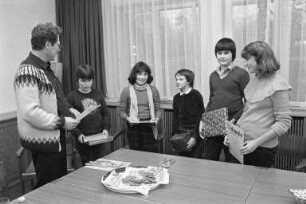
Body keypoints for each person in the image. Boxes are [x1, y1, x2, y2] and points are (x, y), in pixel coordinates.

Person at [13, 23, 80, 188]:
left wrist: (68, 110)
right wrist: (63, 122)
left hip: (55, 139)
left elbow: (56, 98)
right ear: (47, 44)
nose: (59, 48)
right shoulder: (27, 71)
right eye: (57, 43)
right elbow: (31, 113)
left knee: (59, 186)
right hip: (45, 143)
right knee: (49, 190)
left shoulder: (46, 70)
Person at [224, 41, 292, 168]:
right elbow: (247, 111)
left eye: (247, 59)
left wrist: (256, 143)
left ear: (260, 59)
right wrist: (232, 135)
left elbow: (284, 123)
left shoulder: (278, 85)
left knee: (257, 186)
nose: (244, 64)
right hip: (242, 141)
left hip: (261, 148)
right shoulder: (255, 79)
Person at [202, 37, 250, 161]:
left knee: (232, 163)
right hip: (213, 123)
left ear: (232, 54)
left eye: (226, 53)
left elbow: (248, 103)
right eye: (219, 53)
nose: (222, 56)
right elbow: (211, 99)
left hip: (233, 124)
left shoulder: (242, 74)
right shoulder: (212, 75)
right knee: (209, 160)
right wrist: (203, 121)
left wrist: (233, 121)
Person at [67, 65, 111, 166]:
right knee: (87, 167)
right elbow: (70, 120)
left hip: (99, 138)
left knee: (101, 165)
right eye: (83, 81)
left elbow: (105, 114)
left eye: (89, 80)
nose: (86, 84)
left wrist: (106, 129)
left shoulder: (98, 94)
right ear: (77, 80)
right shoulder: (72, 96)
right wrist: (78, 135)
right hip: (83, 140)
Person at [119, 61, 162, 153]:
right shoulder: (126, 91)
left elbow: (158, 109)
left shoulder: (153, 90)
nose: (142, 77)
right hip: (133, 125)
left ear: (148, 76)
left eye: (145, 74)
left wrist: (157, 119)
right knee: (135, 153)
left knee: (151, 153)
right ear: (134, 75)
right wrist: (128, 118)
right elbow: (122, 111)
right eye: (139, 74)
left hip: (150, 124)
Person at [172, 69, 205, 158]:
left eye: (180, 79)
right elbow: (175, 119)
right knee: (182, 162)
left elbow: (201, 117)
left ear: (189, 81)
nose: (177, 82)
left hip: (193, 135)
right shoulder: (176, 98)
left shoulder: (196, 95)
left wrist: (195, 137)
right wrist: (173, 138)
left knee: (194, 163)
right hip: (180, 136)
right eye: (176, 79)